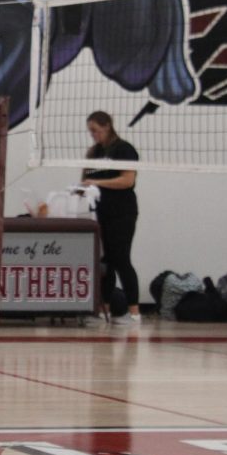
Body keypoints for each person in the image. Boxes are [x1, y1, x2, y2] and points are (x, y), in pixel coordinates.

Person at [80, 110, 140, 325]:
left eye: (96, 130)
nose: (93, 135)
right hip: (99, 212)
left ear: (107, 126)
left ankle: (134, 313)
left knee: (121, 258)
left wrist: (98, 183)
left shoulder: (124, 150)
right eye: (90, 132)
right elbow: (85, 180)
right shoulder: (93, 152)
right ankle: (103, 312)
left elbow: (127, 181)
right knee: (104, 262)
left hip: (122, 212)